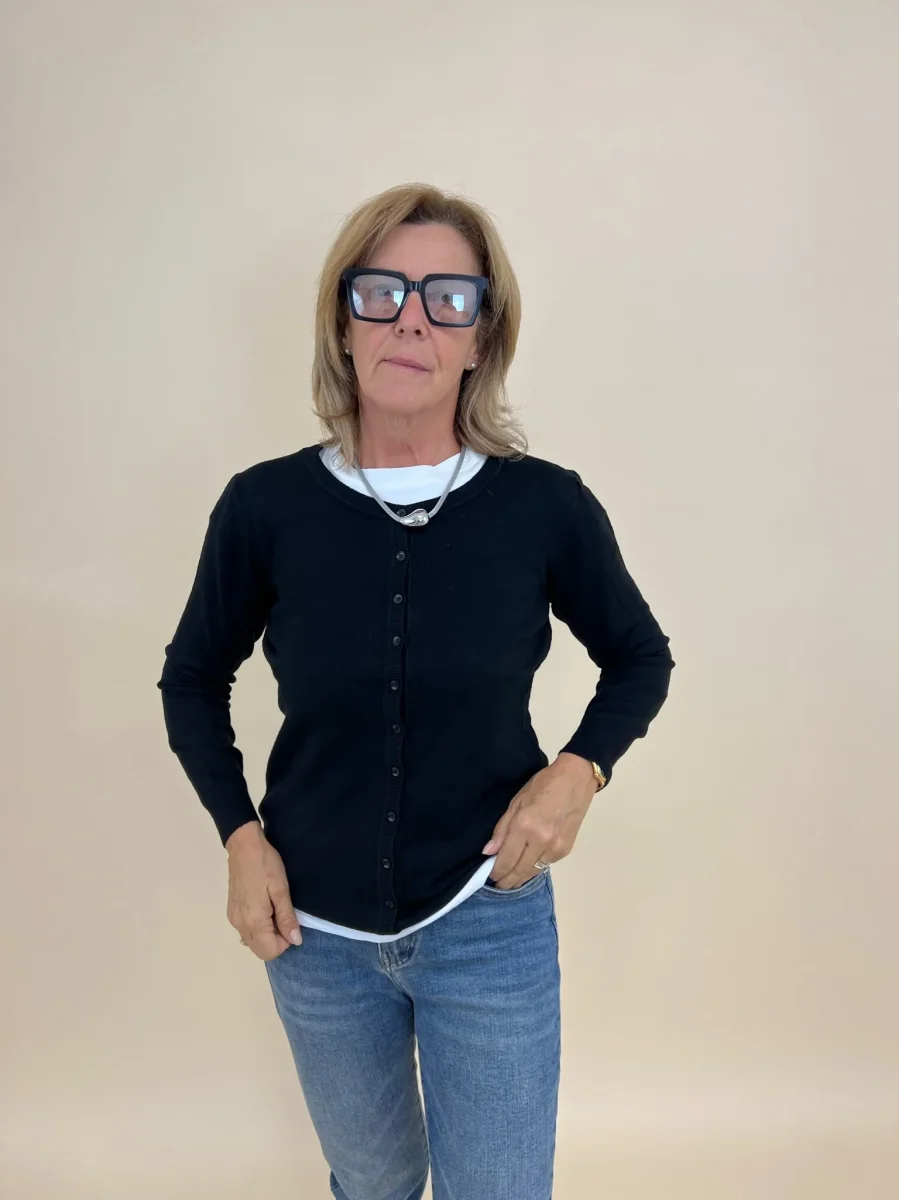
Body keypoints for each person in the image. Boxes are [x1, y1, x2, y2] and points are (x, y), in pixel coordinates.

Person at [157, 182, 675, 1200]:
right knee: (372, 1183)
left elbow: (638, 655)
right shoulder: (264, 508)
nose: (409, 319)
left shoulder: (542, 506)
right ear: (342, 321)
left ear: (481, 336)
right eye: (381, 291)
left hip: (488, 920)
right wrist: (240, 836)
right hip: (313, 935)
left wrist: (578, 772)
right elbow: (192, 678)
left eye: (447, 298)